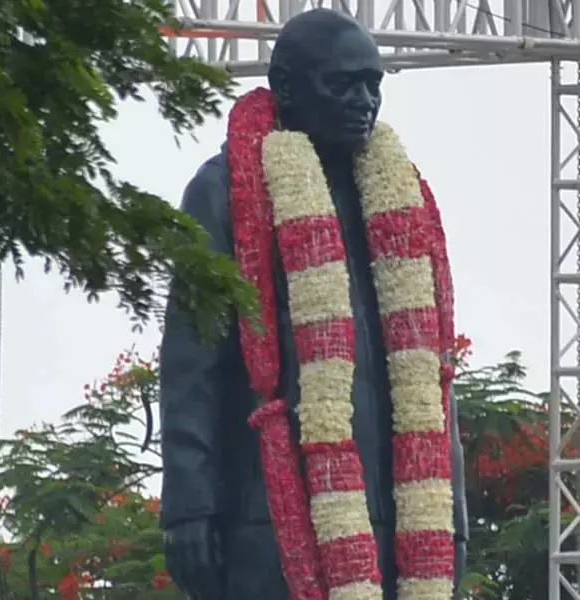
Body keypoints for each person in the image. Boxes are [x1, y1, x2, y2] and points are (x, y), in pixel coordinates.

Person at [159, 9, 468, 600]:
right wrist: (188, 508)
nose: (364, 102)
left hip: (399, 528)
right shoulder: (225, 193)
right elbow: (191, 365)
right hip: (269, 521)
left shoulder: (400, 201)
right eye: (343, 85)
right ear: (286, 88)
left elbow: (433, 379)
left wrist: (451, 518)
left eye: (372, 85)